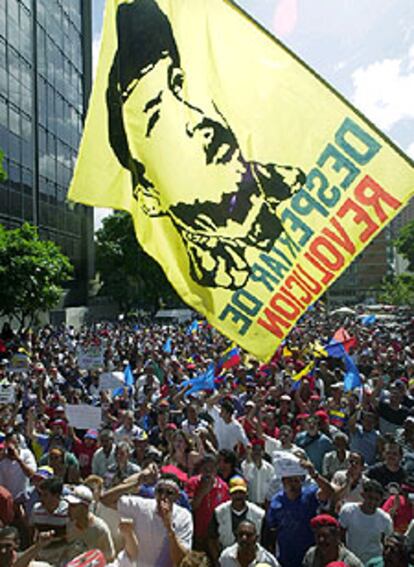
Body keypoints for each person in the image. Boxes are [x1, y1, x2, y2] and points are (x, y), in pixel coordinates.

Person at [106, 0, 305, 290]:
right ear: (150, 196)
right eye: (157, 116)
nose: (197, 119)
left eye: (178, 86)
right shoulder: (214, 269)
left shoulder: (291, 185)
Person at [100, 470, 193, 567]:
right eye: (160, 491)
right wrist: (137, 481)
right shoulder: (142, 506)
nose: (163, 496)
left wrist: (169, 528)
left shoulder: (184, 517)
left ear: (177, 496)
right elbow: (105, 500)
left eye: (169, 493)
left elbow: (182, 559)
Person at [264, 456, 334, 567]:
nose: (293, 484)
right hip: (285, 558)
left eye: (296, 481)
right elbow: (272, 530)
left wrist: (314, 474)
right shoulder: (275, 502)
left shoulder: (310, 494)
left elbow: (329, 492)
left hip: (309, 558)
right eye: (289, 481)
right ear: (283, 481)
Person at [208, 476, 265, 564]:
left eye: (241, 492)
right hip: (227, 559)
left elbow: (266, 541)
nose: (238, 496)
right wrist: (217, 560)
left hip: (253, 559)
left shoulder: (259, 514)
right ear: (229, 494)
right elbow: (211, 538)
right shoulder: (219, 512)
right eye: (235, 492)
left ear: (246, 493)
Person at [339, 479, 393, 564]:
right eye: (370, 498)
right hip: (351, 561)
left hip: (374, 562)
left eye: (377, 499)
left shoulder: (385, 519)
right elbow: (341, 535)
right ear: (363, 495)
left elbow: (385, 542)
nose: (373, 502)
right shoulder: (348, 511)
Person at [186, 454, 230, 552]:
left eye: (211, 468)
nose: (208, 471)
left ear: (216, 468)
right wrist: (202, 491)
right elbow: (191, 507)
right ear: (200, 469)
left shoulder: (223, 486)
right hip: (197, 534)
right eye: (205, 468)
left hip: (216, 537)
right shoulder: (192, 483)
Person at [64, 484, 115, 562]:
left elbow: (109, 557)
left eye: (73, 506)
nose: (69, 509)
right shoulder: (69, 525)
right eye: (69, 505)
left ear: (85, 507)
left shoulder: (100, 529)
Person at [241, 440, 274, 507]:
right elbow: (246, 478)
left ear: (263, 452)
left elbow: (272, 487)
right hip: (250, 504)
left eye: (259, 450)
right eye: (255, 450)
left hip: (265, 504)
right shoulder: (245, 465)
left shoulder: (269, 468)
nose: (257, 452)